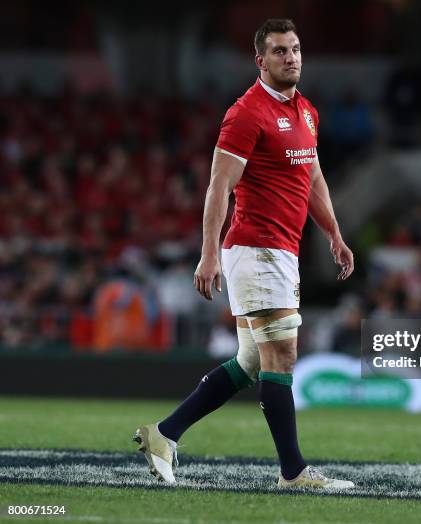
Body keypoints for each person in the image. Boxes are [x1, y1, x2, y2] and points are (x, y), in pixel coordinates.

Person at [133, 19, 355, 490]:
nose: (290, 57)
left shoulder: (307, 112)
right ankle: (294, 472)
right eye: (279, 51)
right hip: (255, 248)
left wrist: (334, 233)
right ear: (261, 60)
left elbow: (312, 180)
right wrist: (208, 254)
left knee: (253, 362)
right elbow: (219, 187)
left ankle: (164, 434)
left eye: (295, 49)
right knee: (283, 355)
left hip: (283, 252)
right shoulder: (246, 113)